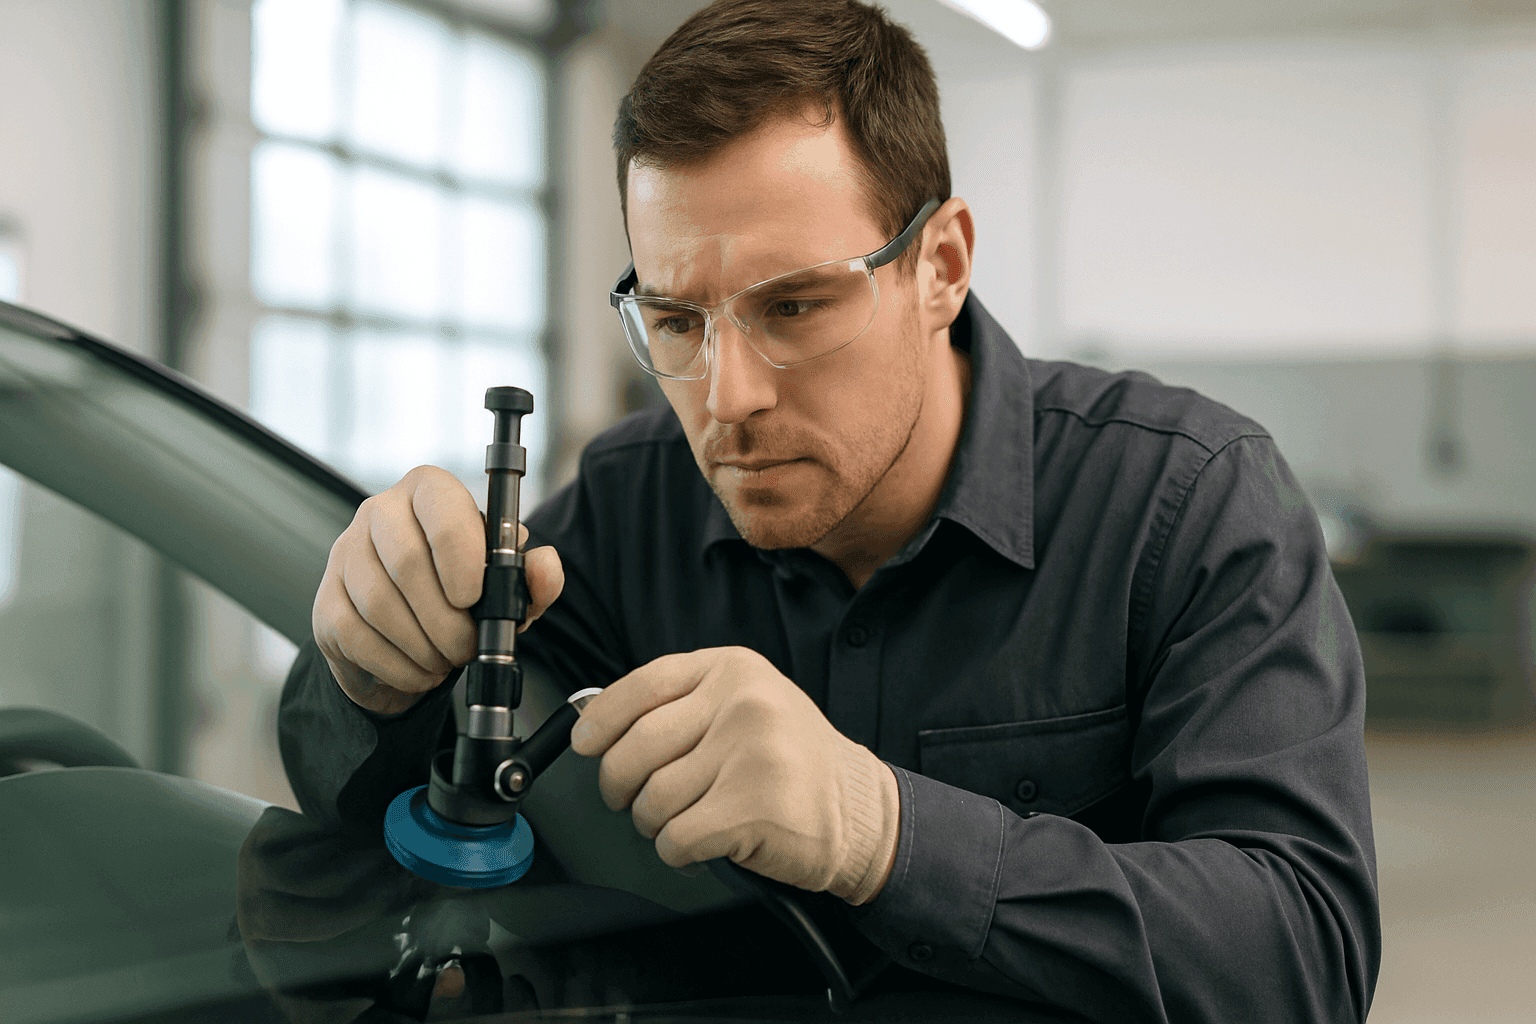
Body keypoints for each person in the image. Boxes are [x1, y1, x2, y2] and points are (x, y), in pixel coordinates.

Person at [279, 1, 1381, 1020]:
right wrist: (372, 672)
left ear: (940, 265)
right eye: (675, 321)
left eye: (794, 305)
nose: (726, 399)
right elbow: (398, 815)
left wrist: (885, 831)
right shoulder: (626, 505)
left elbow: (1304, 954)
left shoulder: (1184, 502)